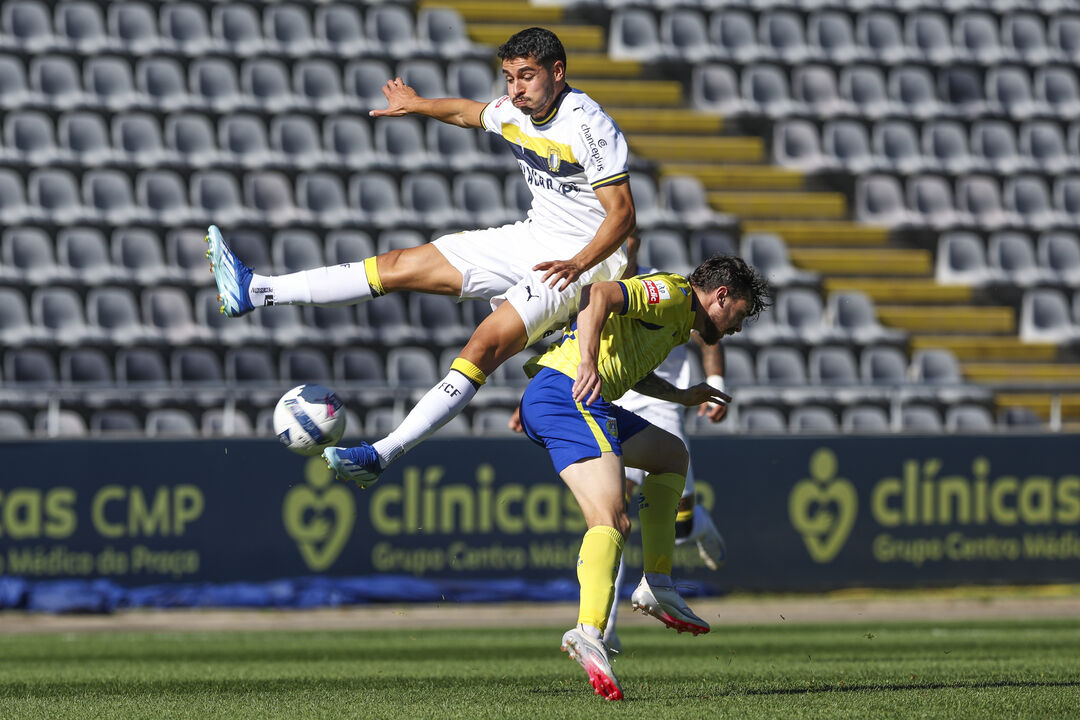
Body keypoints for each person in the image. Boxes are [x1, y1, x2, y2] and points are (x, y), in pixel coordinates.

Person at [204, 27, 635, 485]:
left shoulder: (588, 124)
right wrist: (417, 103)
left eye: (526, 77)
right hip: (532, 238)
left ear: (557, 71)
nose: (516, 89)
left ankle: (382, 454)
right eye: (509, 78)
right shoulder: (515, 110)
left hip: (582, 266)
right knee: (399, 264)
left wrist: (579, 264)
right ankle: (256, 291)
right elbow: (469, 113)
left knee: (482, 346)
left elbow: (623, 214)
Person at [515, 254, 769, 700]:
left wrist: (680, 395)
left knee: (672, 455)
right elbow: (599, 296)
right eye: (739, 316)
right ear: (721, 296)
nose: (737, 328)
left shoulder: (676, 321)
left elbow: (631, 363)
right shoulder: (672, 293)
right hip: (566, 392)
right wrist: (588, 363)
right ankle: (589, 630)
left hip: (579, 396)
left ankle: (658, 583)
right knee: (611, 518)